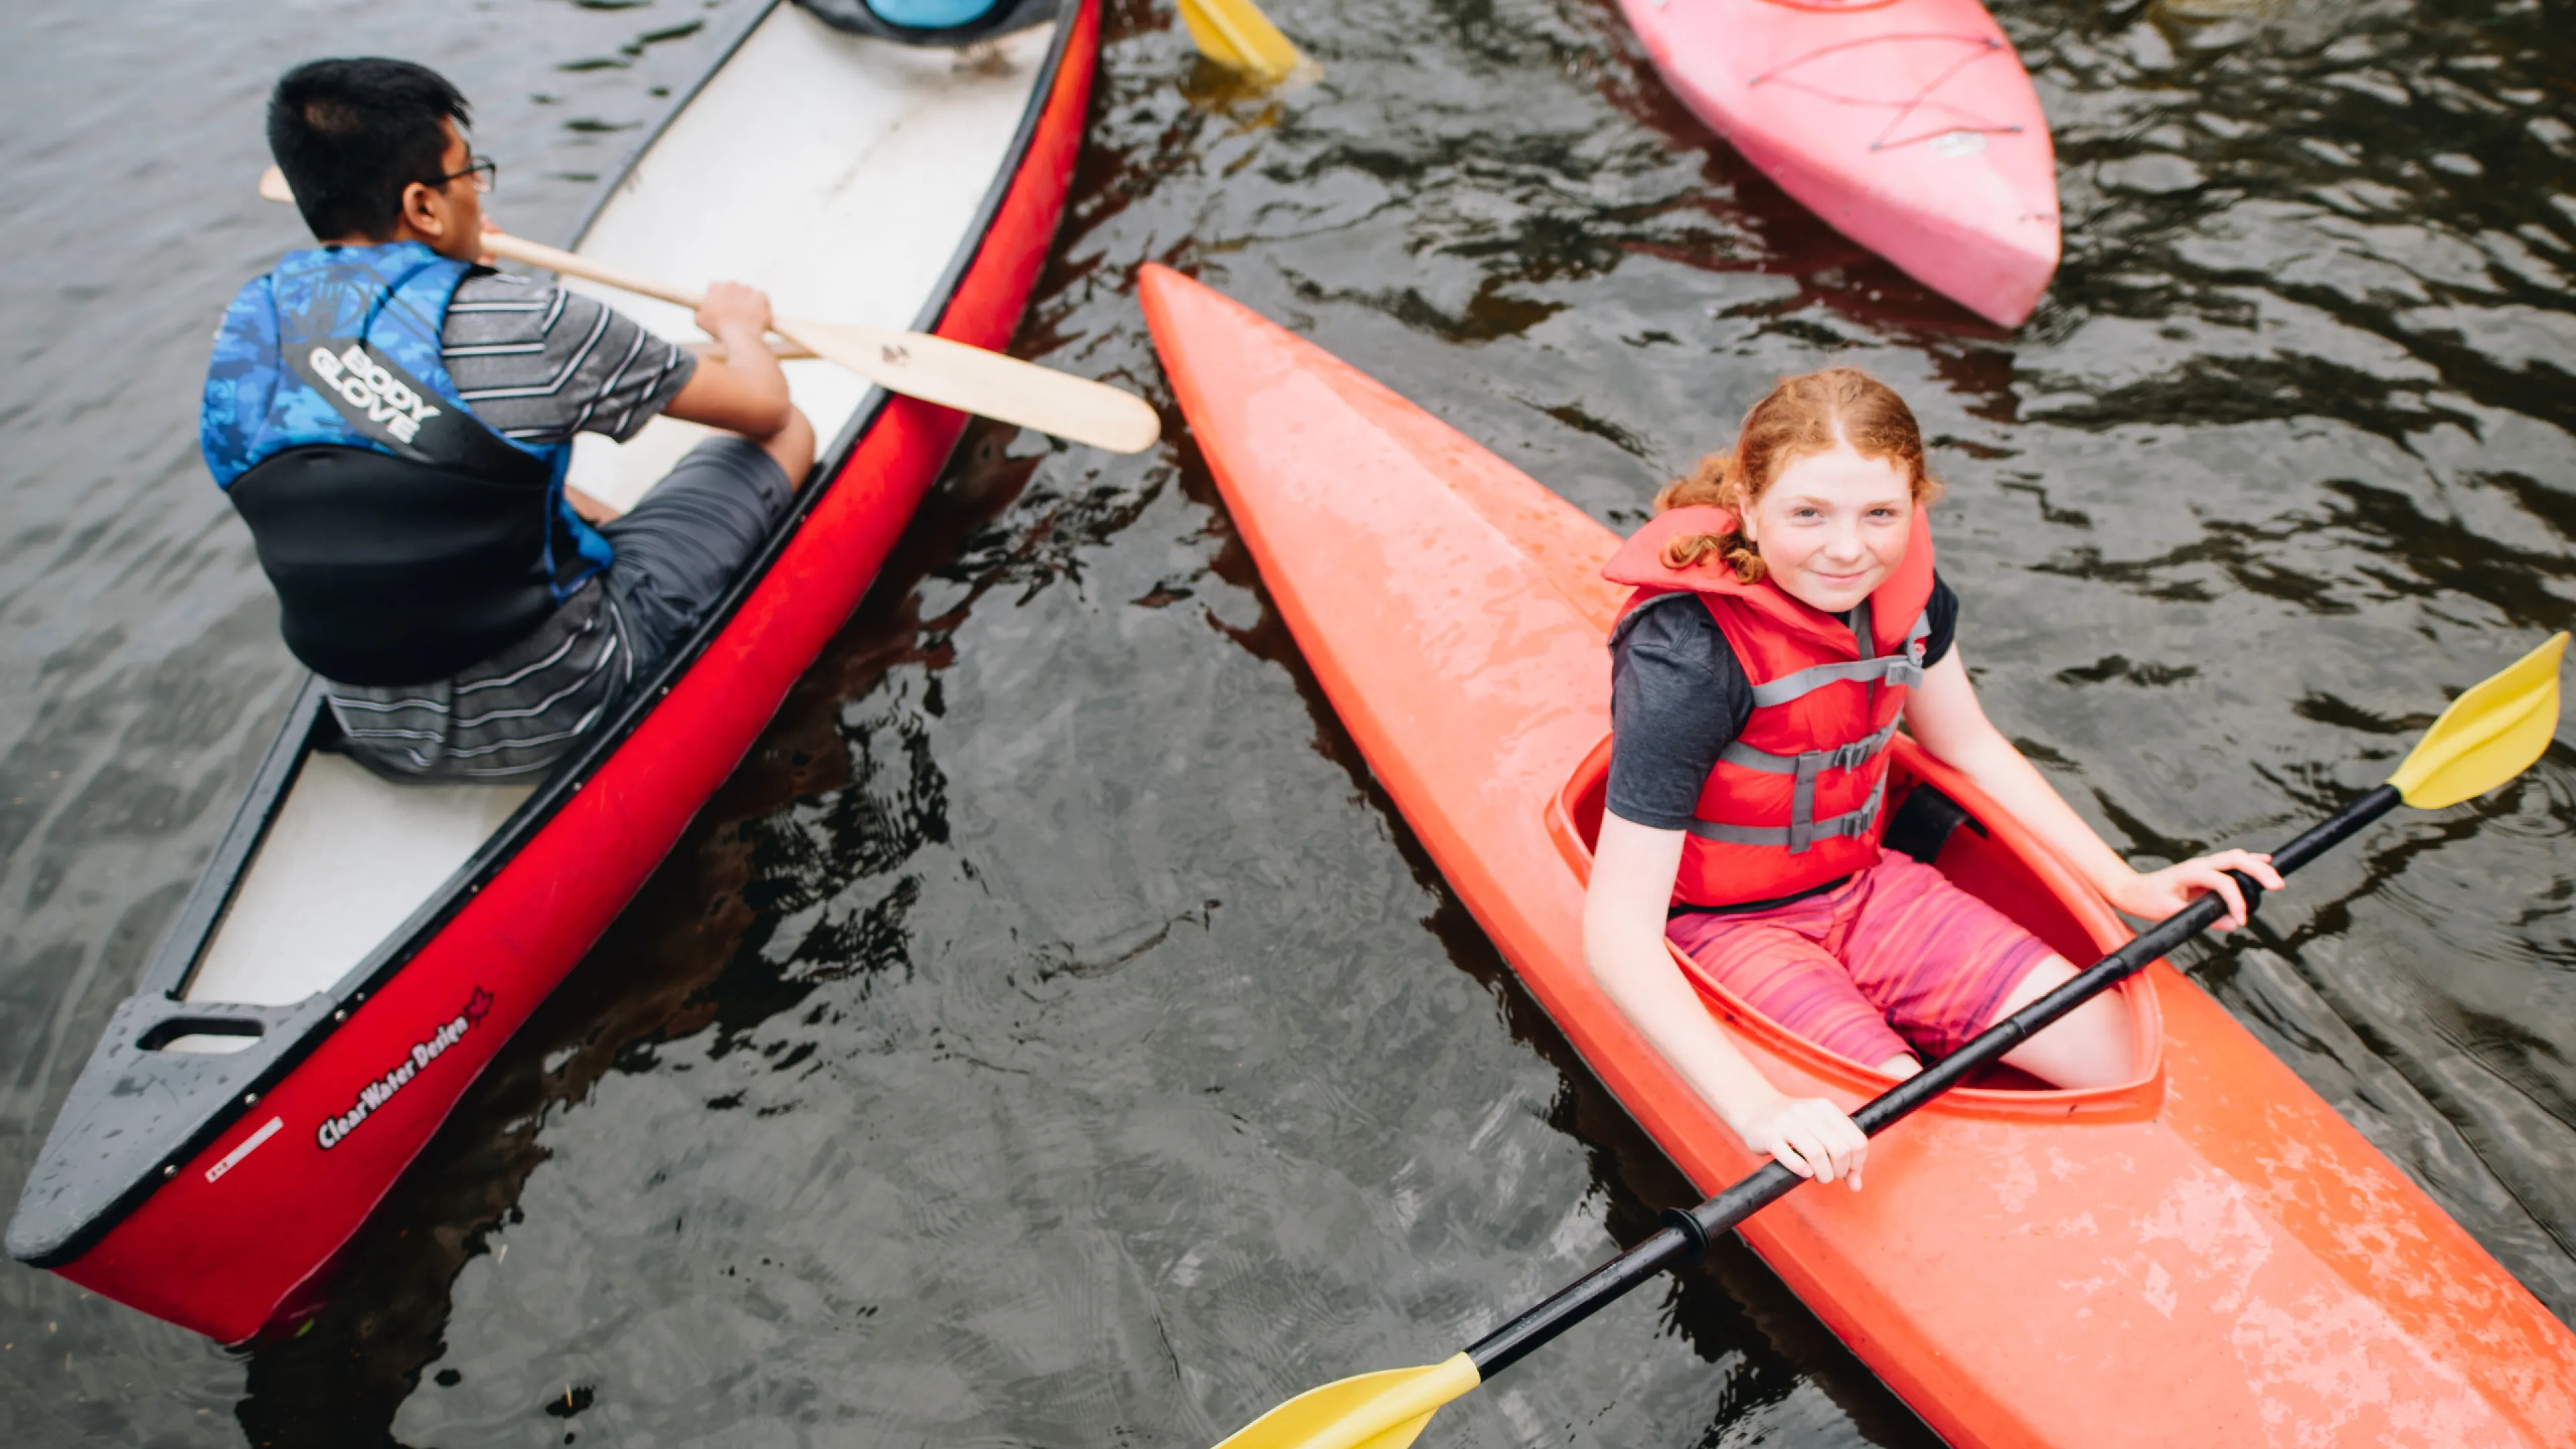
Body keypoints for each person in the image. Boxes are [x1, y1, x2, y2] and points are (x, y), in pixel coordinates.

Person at [1581, 368, 2284, 1192]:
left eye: (1880, 514)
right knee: (1901, 1144)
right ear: (1747, 499)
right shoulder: (1687, 657)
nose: (1848, 550)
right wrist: (1759, 1108)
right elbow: (1618, 934)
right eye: (1809, 513)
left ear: (1914, 503)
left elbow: (1969, 747)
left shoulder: (1903, 595)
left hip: (1865, 887)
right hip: (1729, 926)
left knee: (2120, 1054)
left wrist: (2128, 882)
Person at [201, 57, 816, 781]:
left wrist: (450, 255)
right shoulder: (534, 321)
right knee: (785, 433)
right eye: (470, 173)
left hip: (380, 729)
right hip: (565, 707)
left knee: (446, 466)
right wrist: (736, 326)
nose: (479, 191)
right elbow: (762, 403)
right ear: (424, 206)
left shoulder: (245, 331)